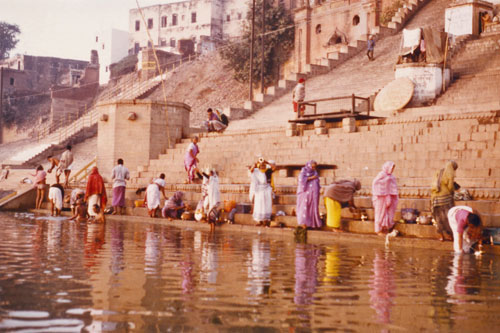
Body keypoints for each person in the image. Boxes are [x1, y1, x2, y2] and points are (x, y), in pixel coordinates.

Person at [431, 161, 458, 241]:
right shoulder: (450, 173)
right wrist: (453, 190)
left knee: (438, 218)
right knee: (449, 217)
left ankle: (441, 236)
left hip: (435, 199)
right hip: (445, 199)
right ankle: (451, 236)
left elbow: (433, 184)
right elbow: (450, 187)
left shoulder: (438, 172)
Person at [372, 161, 398, 235]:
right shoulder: (381, 174)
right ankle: (378, 230)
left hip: (389, 197)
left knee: (388, 213)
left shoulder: (392, 177)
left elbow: (393, 187)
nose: (392, 169)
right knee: (380, 213)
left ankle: (385, 228)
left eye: (393, 168)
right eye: (391, 168)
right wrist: (382, 192)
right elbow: (375, 183)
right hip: (380, 197)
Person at [296, 160, 322, 229]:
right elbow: (301, 180)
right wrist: (310, 178)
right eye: (312, 167)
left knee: (312, 208)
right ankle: (303, 223)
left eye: (314, 167)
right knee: (304, 208)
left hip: (313, 194)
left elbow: (317, 182)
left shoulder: (315, 172)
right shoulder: (303, 171)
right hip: (304, 193)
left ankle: (312, 224)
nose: (313, 168)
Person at [249, 158, 274, 227]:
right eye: (261, 165)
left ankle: (266, 221)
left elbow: (274, 167)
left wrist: (267, 162)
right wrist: (256, 163)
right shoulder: (256, 171)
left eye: (264, 165)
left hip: (266, 190)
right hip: (259, 190)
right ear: (259, 166)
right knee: (259, 206)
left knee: (266, 205)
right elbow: (251, 170)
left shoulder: (268, 171)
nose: (263, 166)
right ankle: (260, 221)